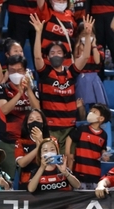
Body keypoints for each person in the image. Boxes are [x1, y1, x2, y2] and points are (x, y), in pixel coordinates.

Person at [30, 12, 93, 153]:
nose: (56, 55)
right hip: (51, 128)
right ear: (48, 57)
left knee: (67, 163)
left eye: (59, 52)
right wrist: (39, 32)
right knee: (52, 161)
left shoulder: (71, 72)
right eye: (52, 53)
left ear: (64, 56)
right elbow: (37, 57)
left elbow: (86, 56)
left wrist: (88, 36)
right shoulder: (45, 73)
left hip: (70, 127)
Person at [0, 54, 40, 178]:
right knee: (8, 179)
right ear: (7, 72)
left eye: (19, 70)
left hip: (28, 141)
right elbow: (4, 110)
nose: (16, 73)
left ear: (25, 71)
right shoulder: (2, 89)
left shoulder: (33, 88)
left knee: (28, 177)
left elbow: (37, 109)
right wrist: (19, 93)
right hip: (8, 142)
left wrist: (28, 90)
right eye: (12, 71)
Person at [65, 103, 111, 189]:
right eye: (90, 111)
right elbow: (69, 138)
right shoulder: (82, 129)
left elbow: (102, 149)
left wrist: (105, 155)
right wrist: (68, 153)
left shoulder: (104, 135)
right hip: (80, 172)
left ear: (101, 119)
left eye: (94, 112)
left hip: (95, 174)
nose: (90, 113)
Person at [73, 20, 108, 120]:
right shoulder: (77, 48)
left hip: (94, 79)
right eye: (84, 34)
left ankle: (96, 122)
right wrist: (79, 46)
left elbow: (97, 61)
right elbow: (76, 62)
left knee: (97, 104)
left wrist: (93, 46)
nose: (88, 36)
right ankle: (83, 122)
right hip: (81, 78)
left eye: (90, 33)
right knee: (81, 103)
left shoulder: (99, 48)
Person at [15, 108, 53, 189]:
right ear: (27, 124)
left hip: (47, 181)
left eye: (38, 119)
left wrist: (41, 140)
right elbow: (22, 163)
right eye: (31, 119)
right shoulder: (20, 142)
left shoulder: (52, 140)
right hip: (26, 181)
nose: (35, 122)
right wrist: (38, 146)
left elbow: (53, 161)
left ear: (43, 123)